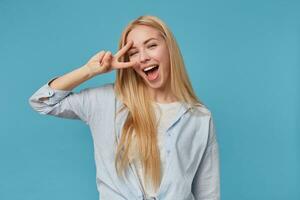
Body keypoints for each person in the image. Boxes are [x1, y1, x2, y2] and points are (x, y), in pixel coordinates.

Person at [29, 15, 220, 200]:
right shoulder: (105, 101)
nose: (143, 57)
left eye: (151, 45)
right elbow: (42, 102)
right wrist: (89, 71)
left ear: (170, 49)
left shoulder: (200, 118)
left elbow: (208, 193)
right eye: (134, 52)